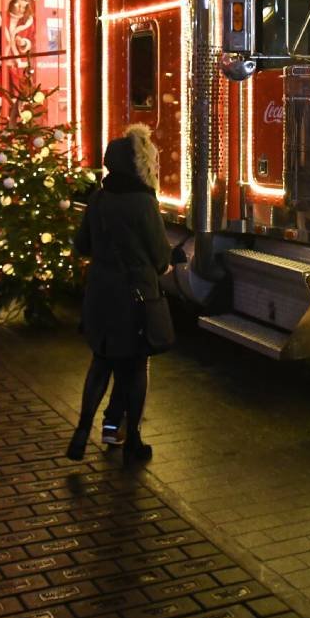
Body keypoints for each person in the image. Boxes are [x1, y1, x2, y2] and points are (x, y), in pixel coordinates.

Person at [68, 125, 174, 465]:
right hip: (135, 296)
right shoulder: (144, 202)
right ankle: (133, 440)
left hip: (100, 293)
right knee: (135, 368)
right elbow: (160, 257)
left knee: (101, 362)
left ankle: (82, 431)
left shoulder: (98, 199)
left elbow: (82, 245)